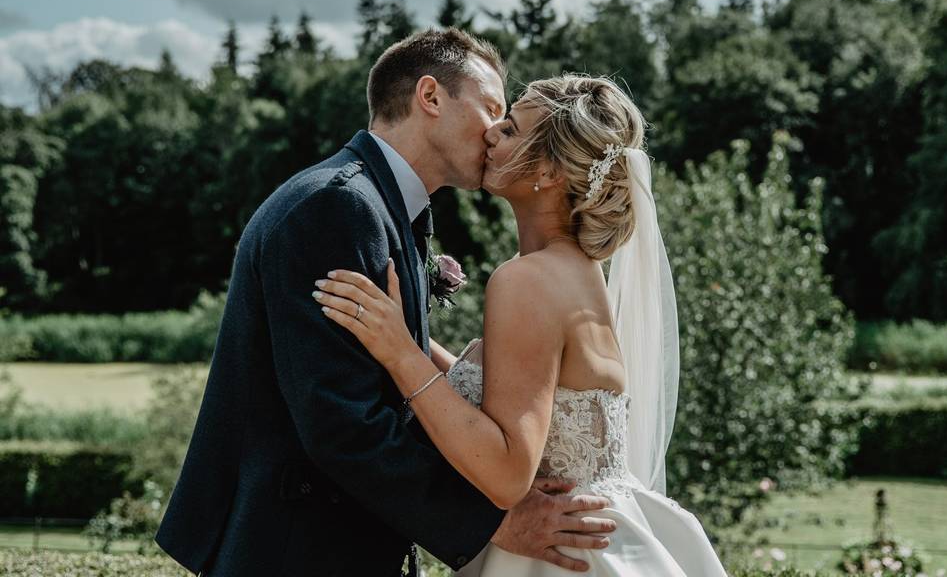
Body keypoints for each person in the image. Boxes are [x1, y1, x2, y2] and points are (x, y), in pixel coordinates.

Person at [155, 31, 616, 576]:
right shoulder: (336, 207)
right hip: (302, 552)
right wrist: (492, 521)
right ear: (431, 96)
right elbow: (343, 421)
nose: (496, 130)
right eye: (491, 107)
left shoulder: (382, 206)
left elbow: (394, 380)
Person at [314, 74, 729, 575]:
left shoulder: (526, 281)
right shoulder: (577, 270)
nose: (490, 133)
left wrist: (402, 354)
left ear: (551, 171)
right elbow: (521, 389)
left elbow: (509, 473)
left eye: (509, 129)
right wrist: (408, 337)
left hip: (558, 553)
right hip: (607, 536)